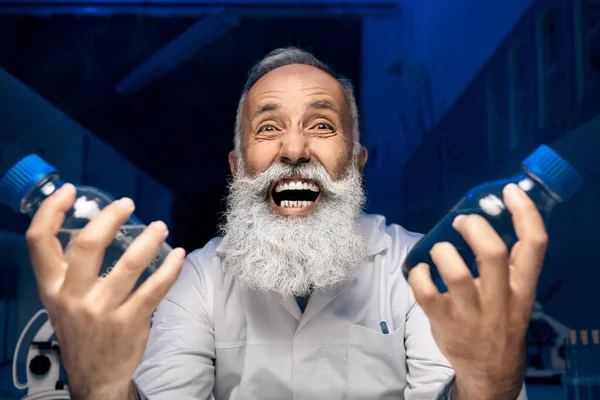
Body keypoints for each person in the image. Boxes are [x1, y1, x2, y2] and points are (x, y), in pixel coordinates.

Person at [24, 47, 548, 399]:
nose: (294, 149)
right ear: (237, 167)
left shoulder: (419, 271)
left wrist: (489, 380)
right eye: (268, 127)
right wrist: (101, 384)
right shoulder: (197, 280)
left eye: (321, 125)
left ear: (357, 162)